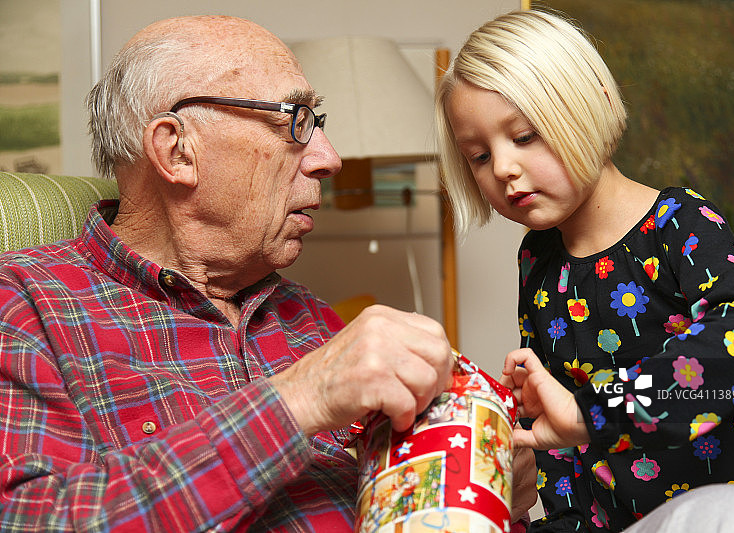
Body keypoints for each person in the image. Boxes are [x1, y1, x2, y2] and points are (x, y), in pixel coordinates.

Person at [0, 15, 539, 531]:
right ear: (177, 151)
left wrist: (490, 490)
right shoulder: (27, 305)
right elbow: (30, 519)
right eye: (296, 121)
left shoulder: (311, 320)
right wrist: (300, 398)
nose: (329, 159)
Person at [434, 7, 734, 532]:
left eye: (525, 136)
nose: (503, 169)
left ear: (591, 105)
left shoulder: (680, 224)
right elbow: (552, 429)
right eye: (478, 156)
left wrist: (594, 412)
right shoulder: (537, 260)